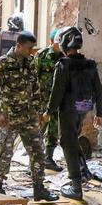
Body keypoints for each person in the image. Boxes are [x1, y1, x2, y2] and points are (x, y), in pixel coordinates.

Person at [0, 31, 59, 201]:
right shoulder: (3, 63)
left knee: (37, 151)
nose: (31, 51)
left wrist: (38, 111)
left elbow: (35, 88)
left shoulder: (29, 62)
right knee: (4, 153)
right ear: (18, 45)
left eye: (33, 48)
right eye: (28, 48)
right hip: (9, 118)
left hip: (29, 118)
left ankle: (39, 188)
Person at [45, 27, 102, 200]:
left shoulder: (64, 65)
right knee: (73, 138)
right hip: (84, 108)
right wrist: (99, 112)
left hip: (68, 109)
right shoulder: (90, 64)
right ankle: (82, 170)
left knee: (68, 143)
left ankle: (76, 186)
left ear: (64, 43)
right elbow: (99, 91)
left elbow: (57, 92)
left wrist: (48, 111)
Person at [32, 29, 65, 172]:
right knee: (38, 131)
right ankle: (34, 163)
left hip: (58, 101)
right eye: (58, 43)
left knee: (53, 132)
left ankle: (48, 158)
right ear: (51, 42)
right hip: (43, 101)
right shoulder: (42, 55)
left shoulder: (64, 57)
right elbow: (33, 78)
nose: (60, 45)